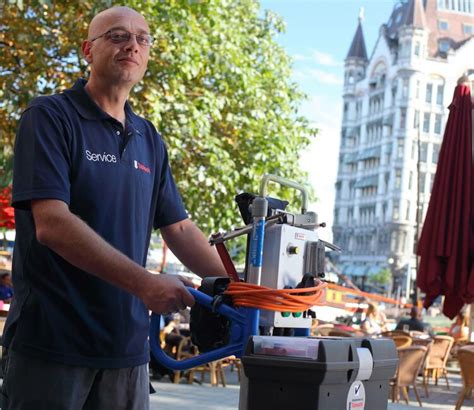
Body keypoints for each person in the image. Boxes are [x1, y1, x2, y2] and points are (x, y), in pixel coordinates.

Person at [1, 6, 227, 409]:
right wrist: (144, 283)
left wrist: (245, 289)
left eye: (142, 38)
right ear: (88, 50)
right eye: (118, 36)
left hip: (126, 350)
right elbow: (51, 224)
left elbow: (179, 229)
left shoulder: (148, 139)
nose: (132, 45)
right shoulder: (51, 117)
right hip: (52, 344)